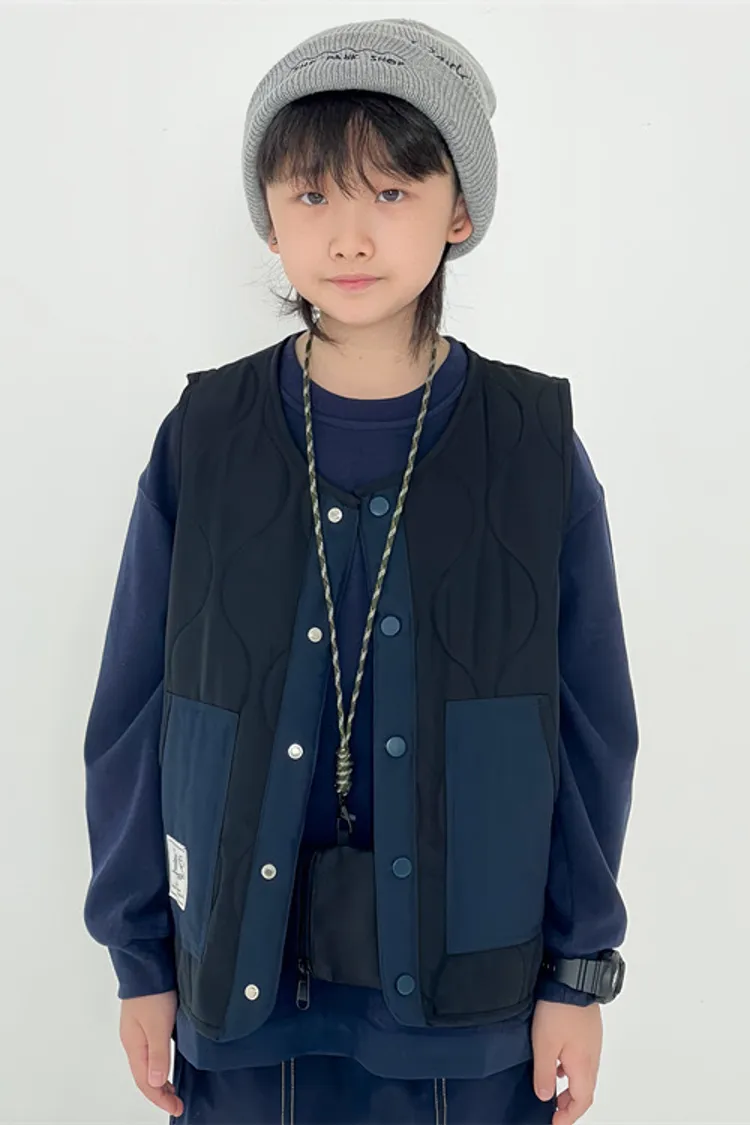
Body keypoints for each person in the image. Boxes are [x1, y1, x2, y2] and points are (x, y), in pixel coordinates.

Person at [81, 17, 639, 1125]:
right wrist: (139, 959)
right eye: (311, 196)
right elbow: (137, 712)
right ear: (270, 217)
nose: (348, 236)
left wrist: (578, 976)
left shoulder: (533, 446)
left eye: (391, 192)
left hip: (471, 1005)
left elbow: (588, 729)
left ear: (458, 211)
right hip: (242, 990)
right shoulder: (205, 436)